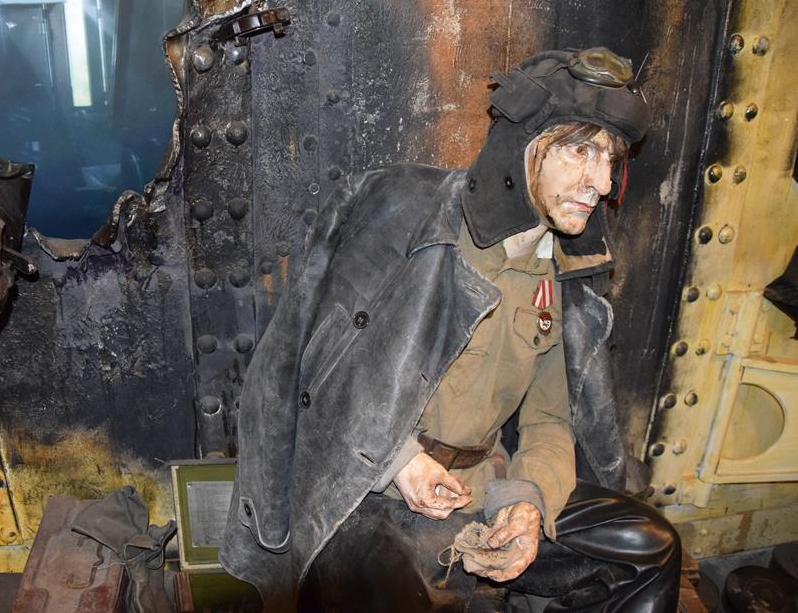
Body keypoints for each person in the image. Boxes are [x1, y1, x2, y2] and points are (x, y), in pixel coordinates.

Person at [220, 47, 681, 612]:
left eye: (610, 159)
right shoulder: (409, 217)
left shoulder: (557, 273)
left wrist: (526, 502)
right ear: (525, 146)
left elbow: (548, 420)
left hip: (486, 487)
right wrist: (401, 462)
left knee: (649, 547)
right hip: (372, 493)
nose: (602, 183)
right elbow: (314, 369)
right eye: (580, 151)